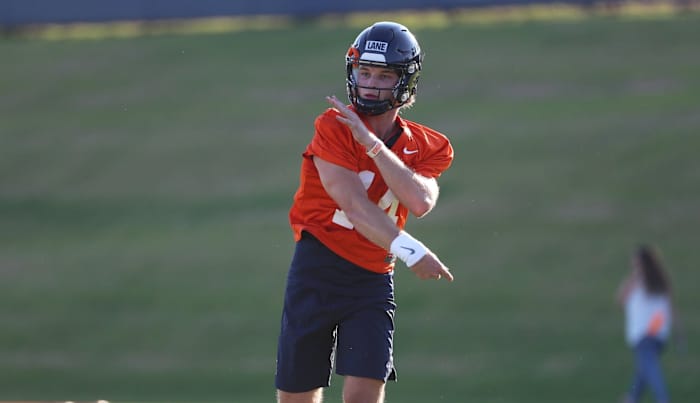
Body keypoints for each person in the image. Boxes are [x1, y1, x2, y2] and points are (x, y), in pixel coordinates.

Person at [274, 21, 455, 403]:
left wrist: (372, 144)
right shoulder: (332, 126)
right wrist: (411, 251)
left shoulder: (425, 144)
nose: (371, 83)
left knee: (363, 395)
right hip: (317, 269)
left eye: (384, 75)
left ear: (405, 82)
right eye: (364, 71)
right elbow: (354, 205)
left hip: (372, 279)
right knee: (297, 397)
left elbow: (420, 201)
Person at [617, 244, 673, 403]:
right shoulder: (661, 279)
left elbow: (620, 299)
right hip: (658, 330)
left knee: (650, 368)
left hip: (644, 331)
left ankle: (663, 399)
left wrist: (632, 278)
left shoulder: (638, 281)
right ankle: (632, 397)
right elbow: (669, 305)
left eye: (636, 263)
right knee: (644, 368)